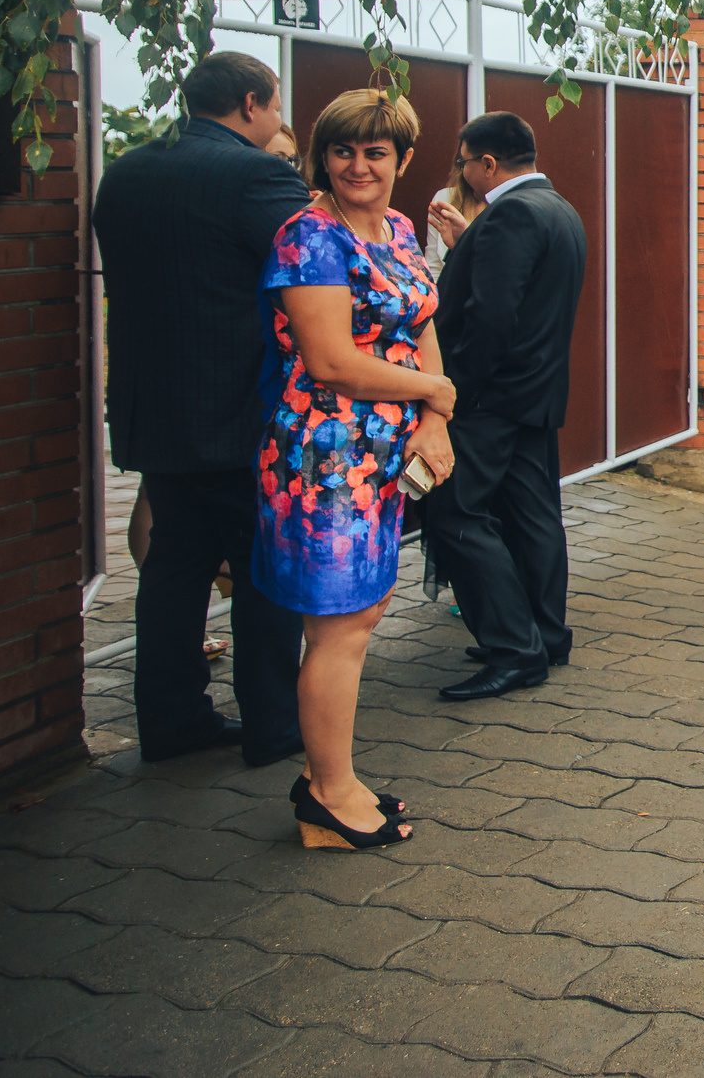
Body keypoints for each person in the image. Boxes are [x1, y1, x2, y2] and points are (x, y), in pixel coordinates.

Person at [91, 52, 308, 767]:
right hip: (241, 411)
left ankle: (172, 720)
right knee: (264, 574)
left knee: (173, 571)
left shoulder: (125, 172)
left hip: (154, 408)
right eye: (274, 105)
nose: (276, 118)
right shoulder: (256, 176)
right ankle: (275, 726)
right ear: (250, 103)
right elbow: (313, 267)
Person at [259, 87, 451, 846]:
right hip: (326, 460)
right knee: (338, 626)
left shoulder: (398, 228)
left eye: (376, 151)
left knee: (363, 615)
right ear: (322, 156)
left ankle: (332, 778)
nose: (358, 165)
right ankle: (327, 797)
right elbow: (331, 361)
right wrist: (432, 392)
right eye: (342, 150)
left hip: (385, 456)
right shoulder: (308, 237)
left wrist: (435, 420)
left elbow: (422, 324)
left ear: (403, 158)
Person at [430, 111, 588, 701]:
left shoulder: (511, 213)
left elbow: (491, 318)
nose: (462, 173)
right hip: (535, 392)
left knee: (455, 514)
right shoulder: (559, 208)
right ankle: (545, 636)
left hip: (491, 398)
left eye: (464, 163)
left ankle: (514, 649)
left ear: (488, 163)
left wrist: (456, 393)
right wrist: (465, 245)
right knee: (533, 515)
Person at [422, 149, 484, 278]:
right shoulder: (445, 198)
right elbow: (433, 269)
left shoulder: (511, 207)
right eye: (463, 162)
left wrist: (464, 245)